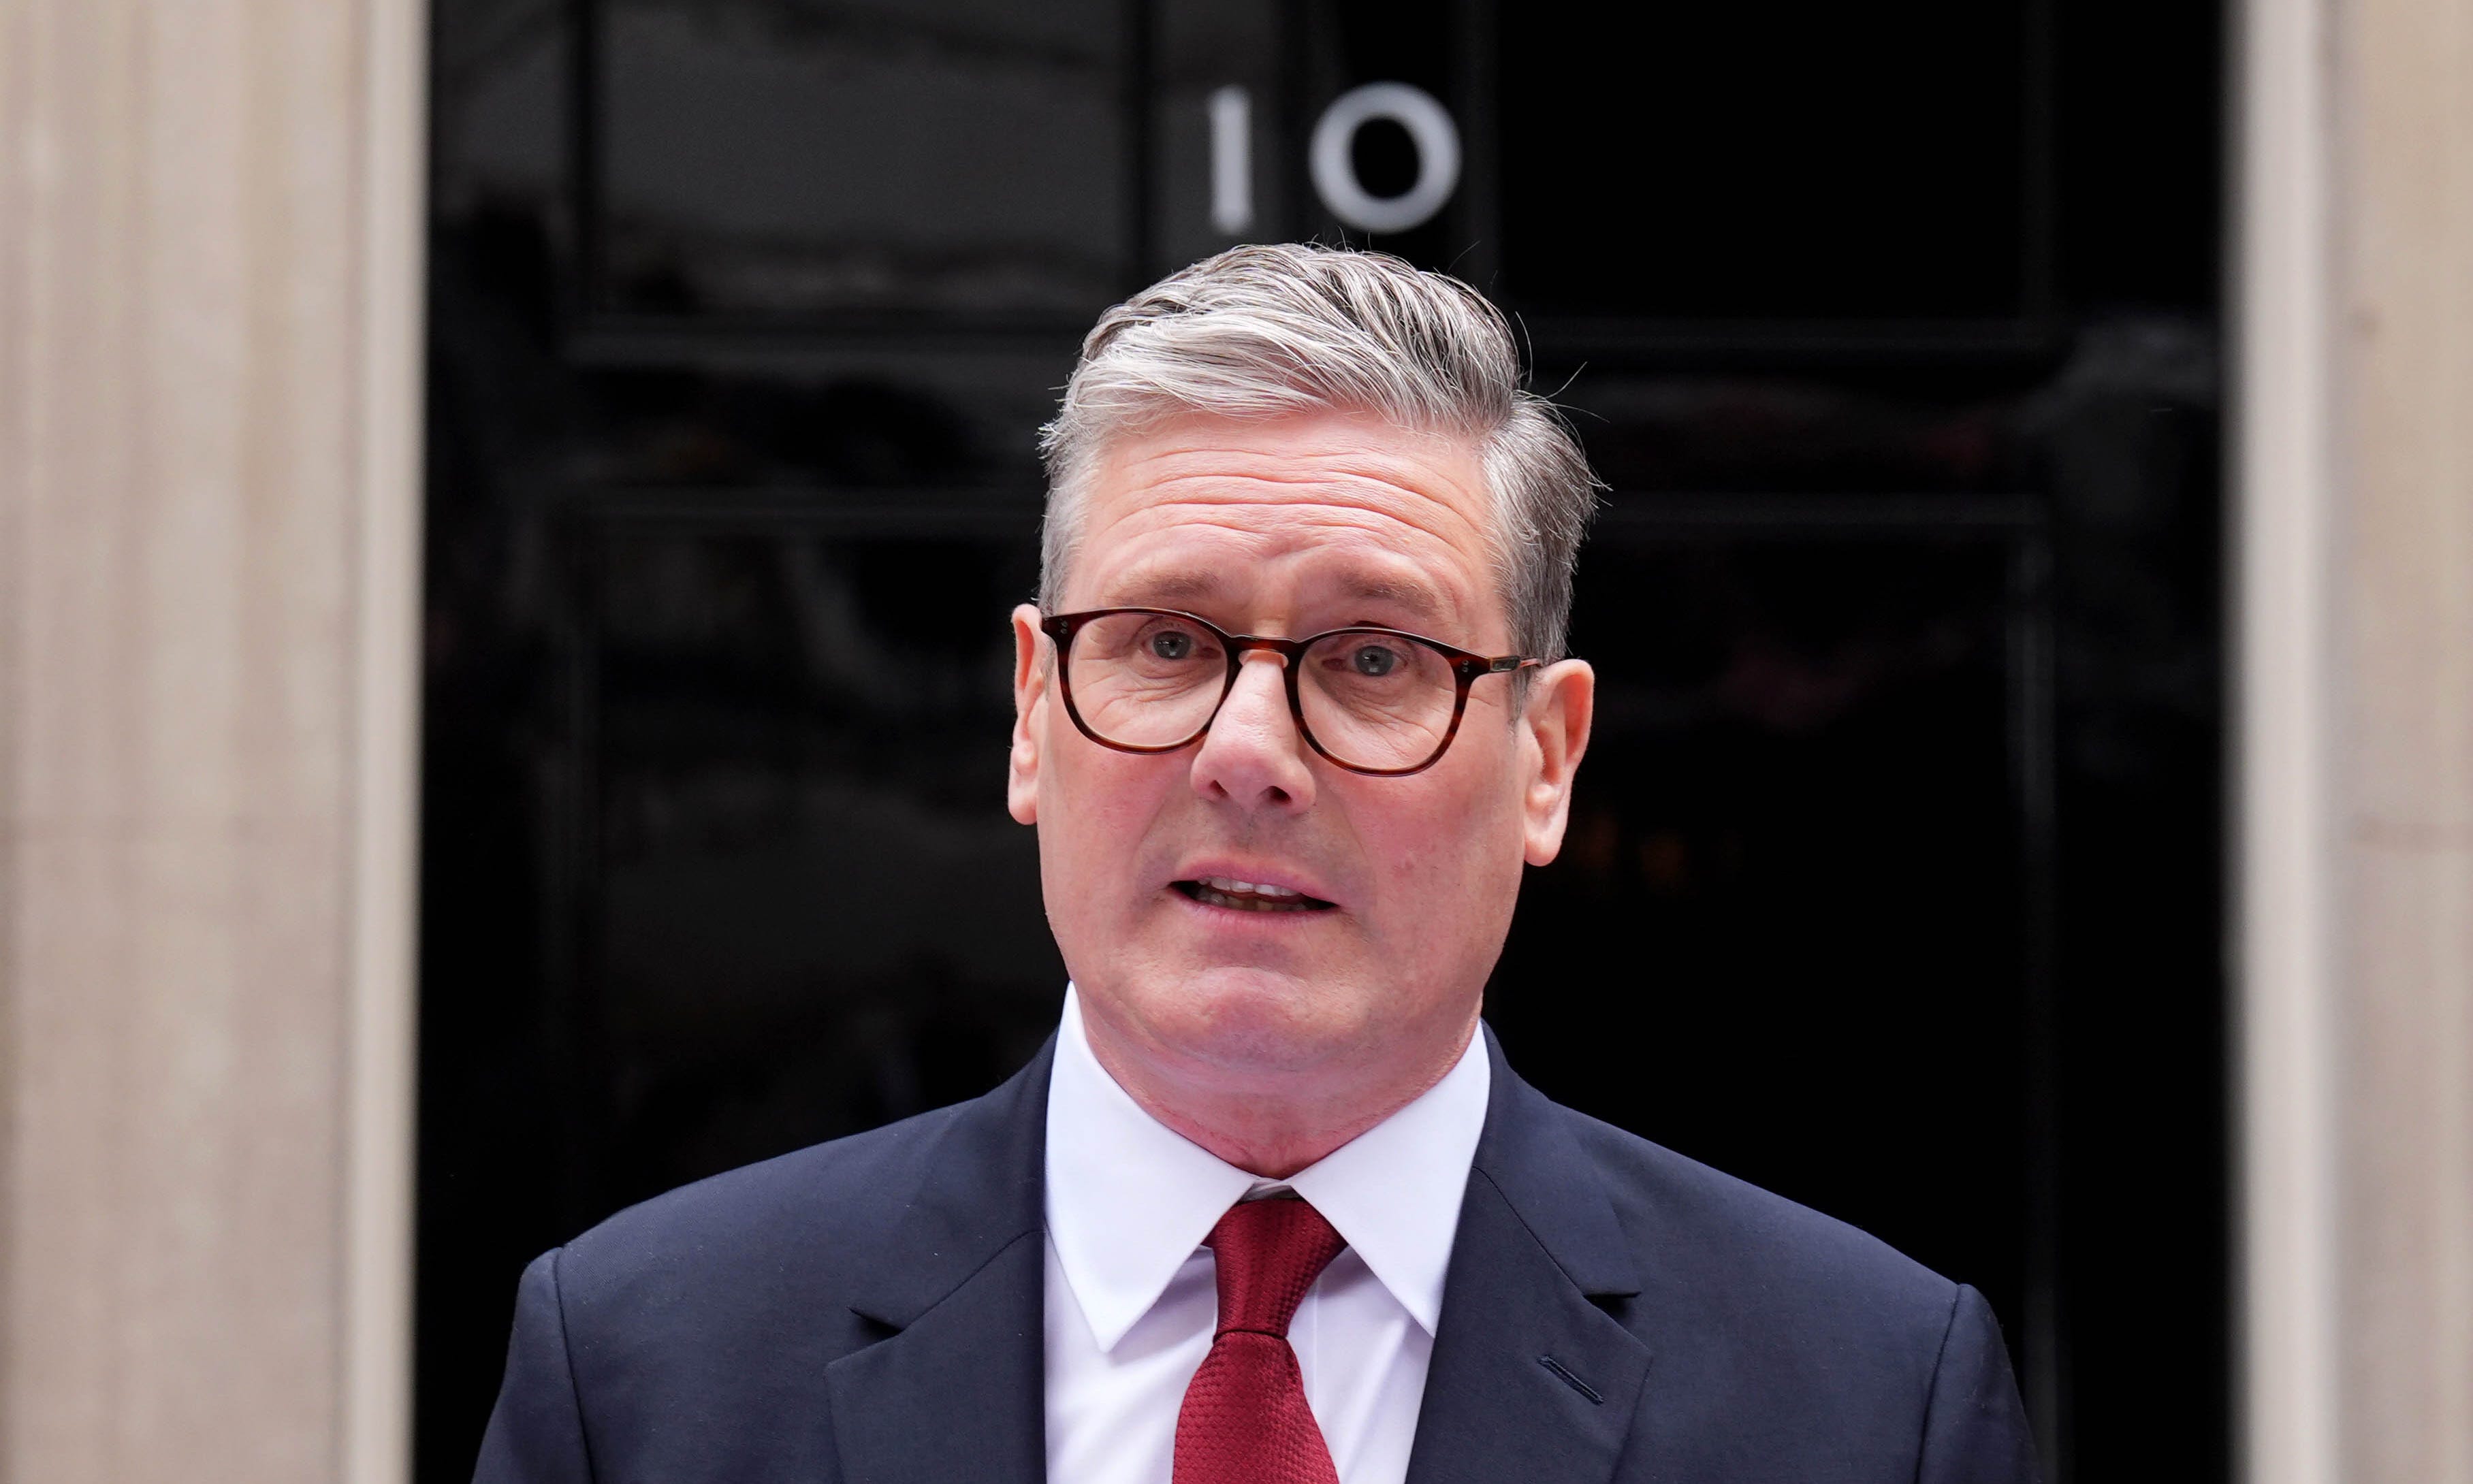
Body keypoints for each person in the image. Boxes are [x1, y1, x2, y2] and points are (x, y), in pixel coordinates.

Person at [472, 244, 2041, 1484]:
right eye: (1163, 640)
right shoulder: (643, 1370)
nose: (1249, 749)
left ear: (1546, 759)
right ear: (1032, 713)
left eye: (1372, 656)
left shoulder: (1862, 1400)